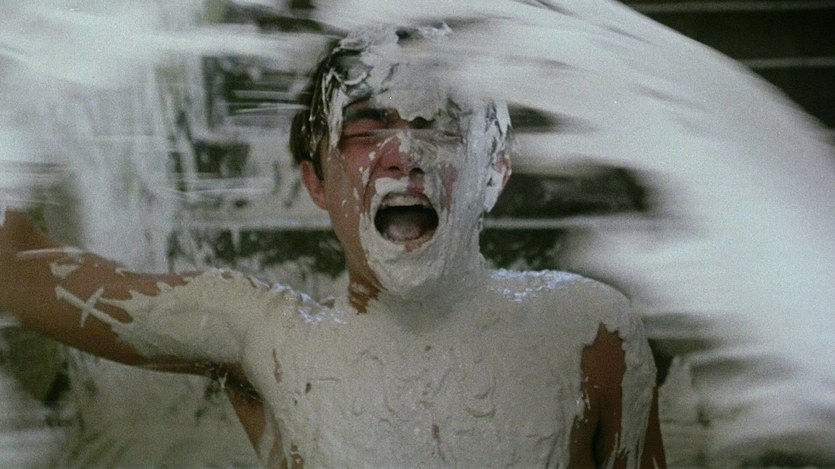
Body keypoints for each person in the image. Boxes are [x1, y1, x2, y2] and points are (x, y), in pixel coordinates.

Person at [0, 24, 664, 467]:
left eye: (439, 126)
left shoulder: (591, 333)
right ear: (316, 182)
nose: (403, 153)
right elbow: (13, 269)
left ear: (493, 172)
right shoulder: (264, 338)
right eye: (366, 130)